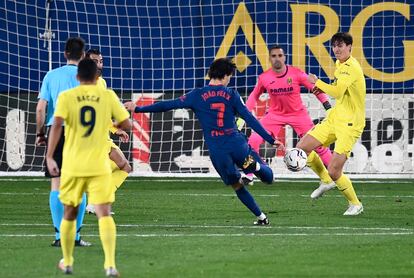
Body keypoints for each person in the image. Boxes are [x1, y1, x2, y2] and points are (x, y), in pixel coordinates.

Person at [124, 58, 283, 225]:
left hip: (218, 151)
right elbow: (250, 119)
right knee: (268, 178)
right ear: (226, 75)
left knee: (237, 185)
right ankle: (254, 167)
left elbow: (167, 105)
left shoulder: (196, 95)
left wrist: (139, 108)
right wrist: (270, 139)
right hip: (237, 145)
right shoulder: (232, 94)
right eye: (230, 76)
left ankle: (261, 217)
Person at [46, 58, 131, 276]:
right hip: (98, 164)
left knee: (69, 213)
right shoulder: (108, 95)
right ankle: (110, 265)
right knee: (105, 213)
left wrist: (49, 156)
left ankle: (67, 261)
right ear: (96, 77)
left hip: (73, 164)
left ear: (77, 77)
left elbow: (56, 125)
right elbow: (127, 123)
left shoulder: (66, 97)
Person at [241, 45, 334, 198]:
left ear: (284, 57)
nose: (277, 58)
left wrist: (327, 106)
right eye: (274, 56)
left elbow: (315, 88)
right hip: (275, 115)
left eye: (280, 55)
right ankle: (252, 173)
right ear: (270, 58)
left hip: (298, 114)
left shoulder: (296, 73)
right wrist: (244, 113)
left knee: (318, 144)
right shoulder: (264, 77)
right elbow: (253, 96)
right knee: (253, 141)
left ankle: (334, 175)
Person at [297, 32, 365, 216]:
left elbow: (337, 92)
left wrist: (316, 82)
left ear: (350, 47)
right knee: (302, 148)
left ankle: (355, 204)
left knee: (335, 170)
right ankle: (325, 180)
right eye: (334, 45)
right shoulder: (339, 63)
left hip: (350, 124)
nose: (336, 49)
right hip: (335, 118)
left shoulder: (350, 67)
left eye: (340, 45)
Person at [36, 37, 91, 247]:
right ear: (83, 54)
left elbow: (41, 108)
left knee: (56, 183)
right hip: (82, 132)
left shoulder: (51, 75)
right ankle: (75, 236)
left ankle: (60, 236)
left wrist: (41, 133)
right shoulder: (87, 76)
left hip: (57, 130)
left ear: (65, 53)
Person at [84, 48, 131, 215]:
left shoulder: (101, 82)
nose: (99, 64)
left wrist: (114, 129)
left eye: (101, 61)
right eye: (95, 61)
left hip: (103, 136)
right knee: (120, 167)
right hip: (93, 138)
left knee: (124, 167)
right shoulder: (86, 84)